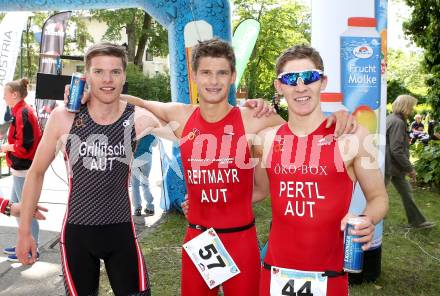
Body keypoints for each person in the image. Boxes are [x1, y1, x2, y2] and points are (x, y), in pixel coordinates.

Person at [121, 38, 355, 296]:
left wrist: (338, 116)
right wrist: (95, 91)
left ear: (232, 76)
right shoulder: (182, 115)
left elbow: (303, 127)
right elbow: (136, 103)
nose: (213, 81)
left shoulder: (252, 118)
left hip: (240, 239)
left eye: (222, 73)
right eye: (206, 73)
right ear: (194, 76)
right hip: (199, 238)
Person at [16, 43, 164, 296]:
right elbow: (36, 172)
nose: (107, 79)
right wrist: (24, 232)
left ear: (124, 76)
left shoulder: (137, 117)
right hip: (77, 234)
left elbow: (190, 119)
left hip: (121, 232)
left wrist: (252, 111)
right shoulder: (64, 118)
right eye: (98, 72)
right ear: (86, 75)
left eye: (115, 72)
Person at [251, 45, 389, 296]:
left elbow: (379, 198)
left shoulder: (353, 136)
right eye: (290, 79)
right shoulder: (265, 139)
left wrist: (368, 219)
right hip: (275, 273)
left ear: (323, 82)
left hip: (330, 276)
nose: (301, 87)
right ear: (279, 86)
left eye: (310, 77)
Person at [2, 78, 42, 262]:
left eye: (5, 94)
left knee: (26, 210)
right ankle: (25, 244)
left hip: (24, 169)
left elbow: (25, 146)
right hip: (22, 168)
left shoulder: (23, 113)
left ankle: (30, 248)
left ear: (15, 95)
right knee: (17, 207)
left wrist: (6, 148)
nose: (3, 98)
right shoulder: (21, 111)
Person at [386, 95, 435, 229]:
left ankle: (417, 221)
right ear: (405, 106)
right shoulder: (397, 122)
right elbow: (396, 149)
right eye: (411, 106)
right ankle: (371, 222)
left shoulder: (391, 118)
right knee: (379, 196)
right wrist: (409, 168)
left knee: (406, 192)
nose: (413, 109)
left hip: (393, 166)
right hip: (390, 165)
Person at [131, 134, 157, 216]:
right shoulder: (152, 132)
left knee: (135, 185)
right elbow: (155, 144)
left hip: (135, 159)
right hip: (147, 159)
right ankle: (150, 207)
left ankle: (137, 208)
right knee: (145, 183)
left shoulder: (135, 130)